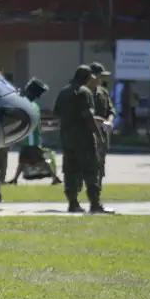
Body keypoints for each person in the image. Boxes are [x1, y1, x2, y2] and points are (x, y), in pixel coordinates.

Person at [53, 65, 112, 214]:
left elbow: (57, 113)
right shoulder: (84, 92)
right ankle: (95, 203)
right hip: (84, 139)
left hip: (67, 138)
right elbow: (88, 117)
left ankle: (73, 203)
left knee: (70, 171)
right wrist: (98, 135)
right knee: (91, 171)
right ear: (86, 77)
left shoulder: (64, 91)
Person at [6, 78, 62, 185]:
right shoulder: (34, 105)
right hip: (30, 138)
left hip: (30, 139)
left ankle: (55, 178)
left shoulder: (29, 105)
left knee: (39, 159)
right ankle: (15, 179)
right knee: (23, 160)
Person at [89, 61, 116, 183]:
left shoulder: (103, 92)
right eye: (101, 76)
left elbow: (111, 110)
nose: (102, 79)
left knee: (100, 162)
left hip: (102, 133)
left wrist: (109, 121)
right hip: (87, 134)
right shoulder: (82, 93)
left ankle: (97, 187)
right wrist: (97, 120)